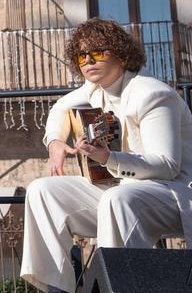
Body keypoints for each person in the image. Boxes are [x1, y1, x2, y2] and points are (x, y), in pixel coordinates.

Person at [20, 18, 192, 293]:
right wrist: (54, 142)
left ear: (121, 55)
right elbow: (60, 109)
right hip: (126, 190)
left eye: (98, 52)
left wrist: (107, 159)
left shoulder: (152, 94)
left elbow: (168, 166)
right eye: (81, 55)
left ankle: (116, 287)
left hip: (175, 194)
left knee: (117, 197)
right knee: (42, 190)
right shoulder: (94, 90)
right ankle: (56, 288)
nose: (88, 60)